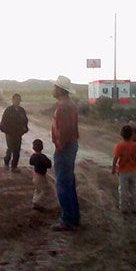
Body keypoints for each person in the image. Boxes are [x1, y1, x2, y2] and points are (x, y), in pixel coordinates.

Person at [50, 76, 80, 231]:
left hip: (65, 148)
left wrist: (60, 145)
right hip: (70, 146)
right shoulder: (69, 105)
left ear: (60, 90)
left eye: (55, 86)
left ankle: (67, 219)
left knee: (62, 183)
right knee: (68, 182)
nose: (52, 89)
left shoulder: (63, 107)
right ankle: (73, 217)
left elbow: (66, 130)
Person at [113, 125, 136, 214]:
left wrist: (113, 167)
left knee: (123, 189)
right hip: (133, 170)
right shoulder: (135, 145)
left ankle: (123, 207)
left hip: (122, 171)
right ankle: (134, 207)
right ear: (131, 134)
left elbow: (115, 158)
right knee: (133, 189)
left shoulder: (119, 145)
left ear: (121, 134)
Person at [0, 93, 29, 172]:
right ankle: (6, 162)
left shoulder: (22, 110)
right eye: (16, 99)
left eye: (19, 100)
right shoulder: (8, 110)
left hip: (18, 134)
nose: (17, 101)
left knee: (17, 150)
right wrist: (6, 130)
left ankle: (14, 166)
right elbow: (3, 122)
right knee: (10, 148)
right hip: (9, 134)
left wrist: (25, 129)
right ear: (13, 100)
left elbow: (25, 121)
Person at [29, 139, 53, 211]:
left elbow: (31, 162)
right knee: (44, 189)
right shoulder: (43, 157)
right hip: (41, 175)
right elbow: (49, 165)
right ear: (42, 147)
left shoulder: (33, 156)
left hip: (35, 174)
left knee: (38, 189)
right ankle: (37, 203)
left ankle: (35, 201)